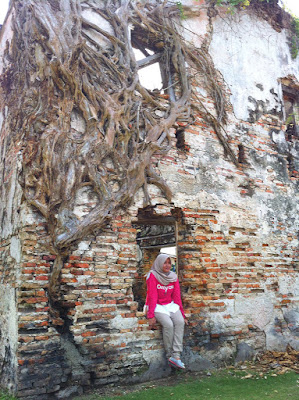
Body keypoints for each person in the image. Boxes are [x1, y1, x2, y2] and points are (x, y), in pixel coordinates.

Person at [145, 253, 187, 369]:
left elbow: (177, 297)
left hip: (170, 305)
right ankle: (170, 356)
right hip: (157, 306)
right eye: (165, 262)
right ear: (159, 263)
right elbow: (152, 296)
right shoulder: (152, 275)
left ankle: (176, 355)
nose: (167, 265)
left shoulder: (173, 276)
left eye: (169, 263)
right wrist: (151, 315)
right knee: (168, 324)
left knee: (180, 322)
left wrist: (182, 314)